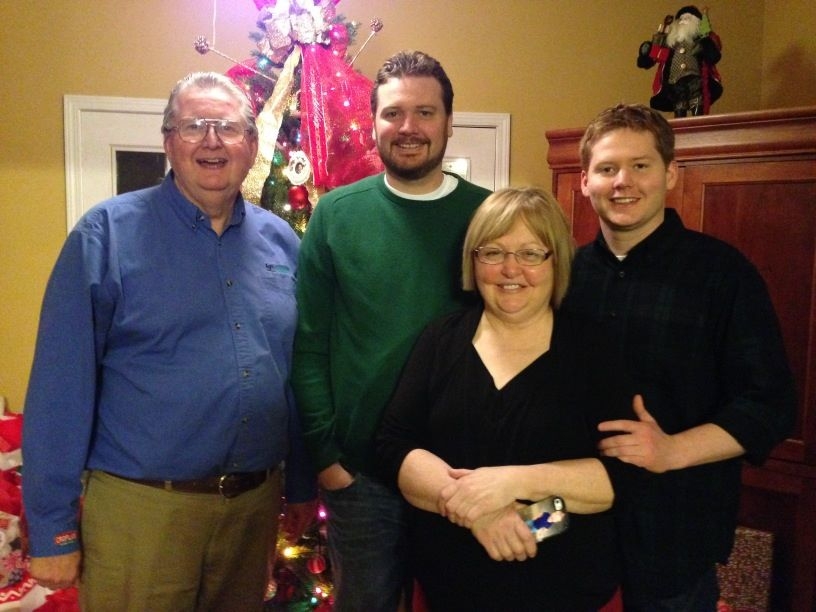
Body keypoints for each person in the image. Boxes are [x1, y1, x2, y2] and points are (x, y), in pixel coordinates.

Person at [22, 71, 316, 611]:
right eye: (193, 126)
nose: (211, 140)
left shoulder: (281, 241)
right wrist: (52, 528)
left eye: (227, 127)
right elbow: (60, 387)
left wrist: (298, 483)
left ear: (252, 145)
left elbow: (292, 372)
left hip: (251, 512)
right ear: (168, 143)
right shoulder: (106, 234)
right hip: (142, 512)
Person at [561, 103, 796, 610]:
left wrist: (672, 450)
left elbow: (770, 404)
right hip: (570, 529)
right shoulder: (565, 277)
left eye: (640, 166)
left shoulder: (722, 275)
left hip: (673, 540)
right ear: (584, 181)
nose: (623, 182)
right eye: (606, 168)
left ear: (669, 173)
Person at [376, 187, 640, 611]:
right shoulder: (441, 340)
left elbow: (619, 478)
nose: (510, 269)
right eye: (493, 252)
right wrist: (480, 514)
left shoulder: (593, 349)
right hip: (448, 590)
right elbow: (393, 446)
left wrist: (518, 498)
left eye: (531, 253)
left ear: (556, 260)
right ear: (473, 261)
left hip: (568, 592)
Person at [292, 50, 491, 611]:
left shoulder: (489, 216)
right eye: (393, 113)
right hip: (363, 482)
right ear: (374, 122)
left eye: (425, 113)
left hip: (460, 472)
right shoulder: (335, 216)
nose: (409, 128)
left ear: (449, 122)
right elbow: (308, 345)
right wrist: (329, 460)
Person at [637, 5, 723, 117]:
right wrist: (647, 50)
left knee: (696, 97)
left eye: (687, 19)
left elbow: (712, 55)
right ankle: (680, 120)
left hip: (695, 75)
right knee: (679, 100)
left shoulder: (699, 41)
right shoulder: (671, 42)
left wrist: (705, 43)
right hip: (675, 79)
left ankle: (698, 119)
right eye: (681, 19)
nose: (683, 21)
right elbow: (655, 55)